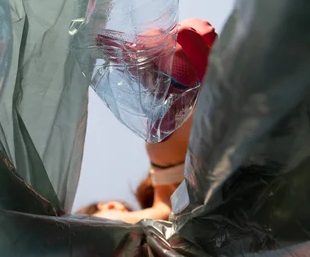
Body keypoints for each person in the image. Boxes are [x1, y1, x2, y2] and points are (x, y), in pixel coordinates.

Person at [76, 19, 217, 224]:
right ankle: (177, 81)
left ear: (110, 206)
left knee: (180, 108)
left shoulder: (145, 222)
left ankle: (178, 82)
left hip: (172, 165)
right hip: (189, 157)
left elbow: (162, 214)